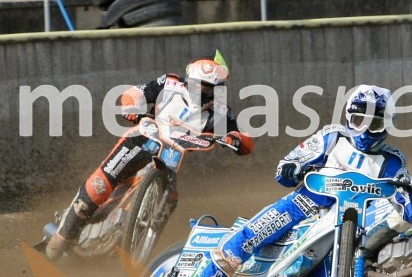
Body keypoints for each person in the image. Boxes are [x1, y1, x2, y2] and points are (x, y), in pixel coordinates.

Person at [164, 85, 412, 277]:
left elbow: (409, 211)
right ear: (348, 117)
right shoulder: (331, 136)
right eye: (359, 121)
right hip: (301, 206)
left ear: (387, 125)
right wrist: (293, 168)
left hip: (342, 233)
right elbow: (285, 168)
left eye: (374, 124)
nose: (365, 131)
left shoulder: (393, 161)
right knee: (242, 242)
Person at [44, 51, 254, 260]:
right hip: (141, 140)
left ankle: (136, 247)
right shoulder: (168, 84)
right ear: (188, 79)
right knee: (100, 185)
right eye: (199, 84)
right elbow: (135, 92)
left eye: (209, 88)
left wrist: (234, 139)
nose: (202, 91)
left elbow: (243, 137)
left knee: (171, 200)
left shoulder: (220, 113)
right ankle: (63, 235)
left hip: (171, 157)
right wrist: (131, 107)